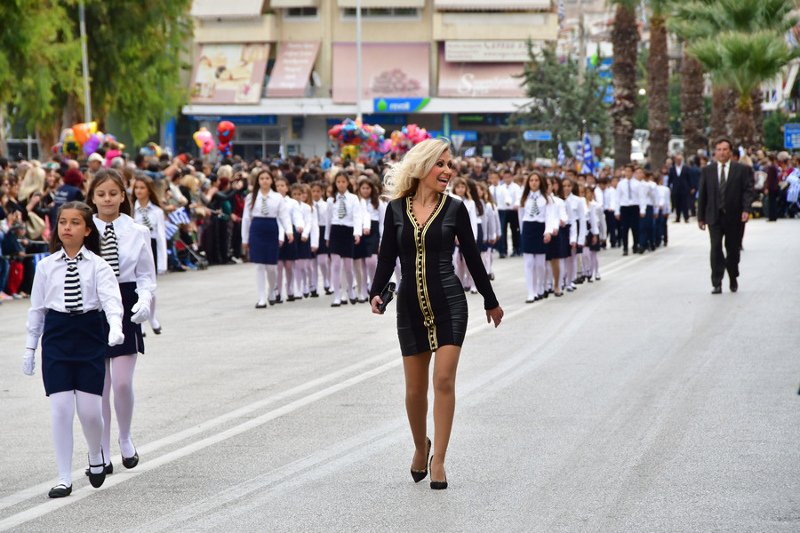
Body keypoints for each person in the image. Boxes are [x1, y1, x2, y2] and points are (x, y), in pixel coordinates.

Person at [369, 139, 503, 490]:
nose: (448, 170)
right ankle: (421, 446)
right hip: (410, 306)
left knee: (443, 380)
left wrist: (490, 300)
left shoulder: (456, 208)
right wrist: (376, 291)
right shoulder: (395, 209)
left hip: (450, 303)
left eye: (449, 164)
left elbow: (472, 257)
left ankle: (439, 459)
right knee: (415, 391)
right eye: (440, 164)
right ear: (422, 167)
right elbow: (387, 257)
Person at [23, 201, 125, 498]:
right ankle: (64, 477)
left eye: (75, 222)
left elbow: (111, 300)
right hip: (57, 336)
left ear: (87, 230)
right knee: (61, 409)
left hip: (89, 333)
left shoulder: (98, 265)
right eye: (63, 222)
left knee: (90, 413)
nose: (67, 227)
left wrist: (115, 327)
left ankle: (95, 454)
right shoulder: (46, 266)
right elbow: (37, 309)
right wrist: (30, 347)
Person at [88, 169, 156, 474]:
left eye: (113, 194)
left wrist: (145, 300)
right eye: (101, 194)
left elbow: (146, 275)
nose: (107, 199)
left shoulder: (137, 230)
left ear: (123, 196)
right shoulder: (83, 228)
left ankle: (125, 437)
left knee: (123, 382)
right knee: (99, 386)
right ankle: (101, 449)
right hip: (93, 304)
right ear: (92, 197)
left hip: (126, 299)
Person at [697, 138, 755, 294]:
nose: (721, 153)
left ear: (730, 152)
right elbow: (703, 195)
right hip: (714, 216)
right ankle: (717, 282)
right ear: (715, 152)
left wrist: (746, 210)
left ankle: (733, 275)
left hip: (734, 217)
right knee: (715, 247)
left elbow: (748, 191)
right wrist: (701, 217)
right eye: (719, 150)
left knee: (732, 249)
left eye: (724, 149)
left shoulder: (741, 170)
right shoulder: (708, 171)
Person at [241, 169, 293, 308]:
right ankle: (261, 298)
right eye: (262, 178)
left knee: (271, 266)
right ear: (258, 181)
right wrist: (244, 239)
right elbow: (246, 218)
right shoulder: (251, 197)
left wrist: (289, 231)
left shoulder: (277, 197)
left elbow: (284, 216)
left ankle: (272, 291)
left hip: (271, 228)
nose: (264, 181)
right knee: (259, 265)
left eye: (267, 178)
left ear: (271, 181)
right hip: (256, 229)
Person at [132, 175, 167, 334]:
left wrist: (162, 262)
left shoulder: (157, 211)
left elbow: (160, 236)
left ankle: (152, 318)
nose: (138, 191)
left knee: (151, 286)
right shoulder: (131, 210)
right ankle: (141, 322)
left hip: (150, 246)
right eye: (136, 187)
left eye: (142, 188)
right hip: (134, 247)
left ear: (149, 190)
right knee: (137, 287)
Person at [325, 171, 362, 307]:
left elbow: (357, 216)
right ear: (335, 183)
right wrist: (327, 236)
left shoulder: (353, 198)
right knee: (335, 265)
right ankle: (337, 295)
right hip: (335, 231)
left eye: (343, 182)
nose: (341, 184)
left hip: (348, 231)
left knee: (348, 266)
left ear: (347, 183)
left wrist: (357, 233)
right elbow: (328, 219)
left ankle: (350, 290)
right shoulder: (331, 200)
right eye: (338, 182)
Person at [519, 172, 553, 302]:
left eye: (536, 180)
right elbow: (521, 216)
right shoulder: (524, 197)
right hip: (528, 228)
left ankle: (540, 287)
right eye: (531, 180)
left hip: (540, 228)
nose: (533, 183)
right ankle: (531, 292)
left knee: (540, 264)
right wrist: (522, 233)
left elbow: (549, 216)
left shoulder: (546, 198)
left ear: (540, 182)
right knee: (529, 263)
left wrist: (548, 231)